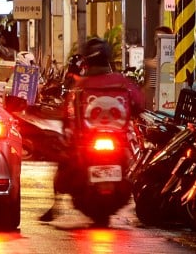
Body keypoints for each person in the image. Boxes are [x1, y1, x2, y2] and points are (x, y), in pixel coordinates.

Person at [39, 37, 144, 222]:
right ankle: (56, 206)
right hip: (112, 143)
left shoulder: (81, 85)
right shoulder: (122, 82)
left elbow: (67, 114)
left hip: (92, 143)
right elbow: (140, 104)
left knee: (62, 162)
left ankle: (55, 206)